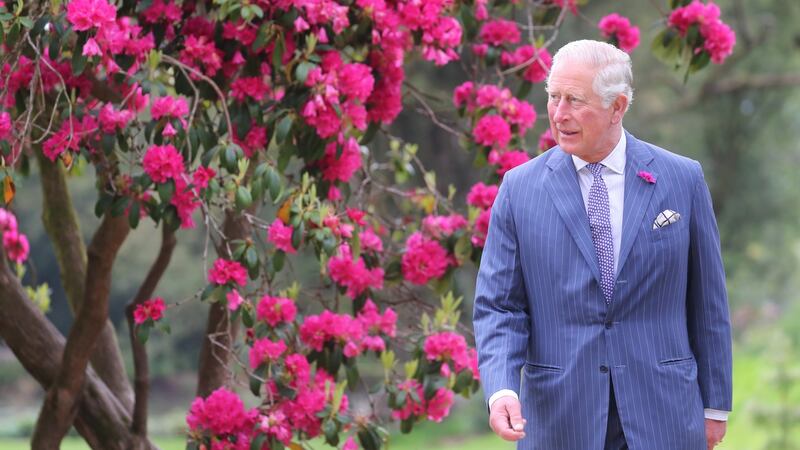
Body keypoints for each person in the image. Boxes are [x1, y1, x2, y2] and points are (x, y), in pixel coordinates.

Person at [472, 40, 732, 450]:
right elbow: (499, 306)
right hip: (560, 419)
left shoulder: (682, 179)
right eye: (553, 97)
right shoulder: (518, 189)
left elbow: (708, 302)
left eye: (575, 100)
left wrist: (715, 405)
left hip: (664, 414)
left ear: (618, 107)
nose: (559, 115)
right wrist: (501, 389)